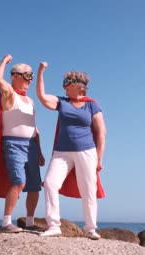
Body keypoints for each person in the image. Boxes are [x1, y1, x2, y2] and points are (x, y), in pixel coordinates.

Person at [36, 62, 106, 240]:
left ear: (77, 85)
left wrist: (99, 158)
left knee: (88, 189)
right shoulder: (62, 102)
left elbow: (101, 133)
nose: (63, 87)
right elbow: (42, 97)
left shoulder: (92, 105)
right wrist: (40, 72)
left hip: (86, 151)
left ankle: (90, 228)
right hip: (62, 152)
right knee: (50, 183)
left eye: (66, 83)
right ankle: (54, 226)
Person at [0, 54, 45, 233]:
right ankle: (6, 223)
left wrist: (40, 151)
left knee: (34, 185)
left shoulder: (30, 101)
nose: (29, 79)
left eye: (31, 76)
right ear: (15, 77)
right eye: (26, 75)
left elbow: (35, 129)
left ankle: (29, 222)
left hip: (31, 145)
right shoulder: (9, 94)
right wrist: (4, 61)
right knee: (19, 182)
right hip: (13, 144)